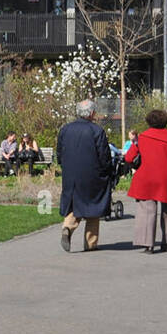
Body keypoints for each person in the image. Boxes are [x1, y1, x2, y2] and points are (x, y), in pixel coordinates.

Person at [125, 109, 167, 253]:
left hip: (145, 179)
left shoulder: (141, 138)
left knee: (146, 211)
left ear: (148, 122)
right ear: (166, 122)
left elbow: (128, 158)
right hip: (166, 180)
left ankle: (148, 245)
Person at [56, 99, 113, 252]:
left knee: (75, 203)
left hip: (71, 174)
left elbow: (59, 152)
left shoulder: (65, 129)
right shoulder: (96, 130)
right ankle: (90, 243)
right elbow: (104, 155)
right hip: (93, 174)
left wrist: (65, 166)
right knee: (94, 205)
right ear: (92, 113)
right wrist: (108, 170)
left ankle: (67, 227)